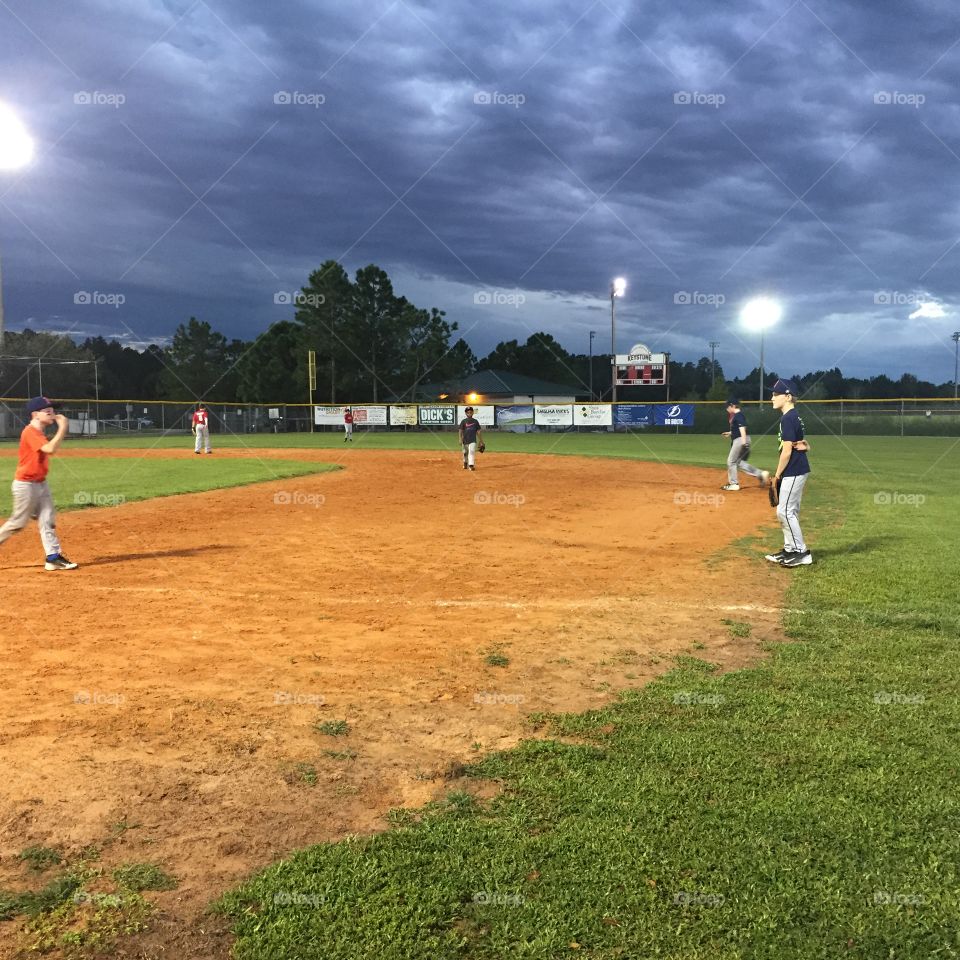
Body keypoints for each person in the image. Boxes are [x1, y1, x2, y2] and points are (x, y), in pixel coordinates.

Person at [0, 397, 78, 570]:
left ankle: (53, 557)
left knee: (47, 518)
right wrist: (63, 427)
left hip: (40, 483)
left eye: (53, 410)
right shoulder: (30, 432)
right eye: (47, 411)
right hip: (26, 485)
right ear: (35, 414)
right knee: (17, 523)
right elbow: (50, 449)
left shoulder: (39, 432)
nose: (52, 413)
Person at [765, 379, 813, 567]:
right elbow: (801, 443)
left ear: (787, 396)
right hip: (795, 469)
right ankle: (790, 549)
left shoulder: (788, 418)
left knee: (786, 511)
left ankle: (802, 552)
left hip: (794, 469)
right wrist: (807, 445)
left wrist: (777, 476)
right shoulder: (793, 416)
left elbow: (786, 451)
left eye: (775, 394)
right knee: (785, 511)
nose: (772, 398)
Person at [721, 399, 769, 491]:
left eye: (727, 407)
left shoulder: (738, 415)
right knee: (739, 462)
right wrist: (730, 433)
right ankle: (761, 474)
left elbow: (742, 428)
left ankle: (734, 484)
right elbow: (739, 429)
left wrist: (744, 443)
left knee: (731, 461)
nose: (727, 409)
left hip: (740, 440)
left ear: (732, 405)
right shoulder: (738, 416)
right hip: (742, 438)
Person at [459, 406, 483, 471]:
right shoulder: (463, 421)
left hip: (473, 440)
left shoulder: (475, 421)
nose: (469, 413)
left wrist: (481, 441)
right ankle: (465, 462)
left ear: (472, 413)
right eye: (468, 412)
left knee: (471, 451)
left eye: (470, 412)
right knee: (465, 453)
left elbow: (478, 431)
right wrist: (460, 439)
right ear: (466, 413)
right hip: (465, 440)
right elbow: (460, 430)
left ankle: (471, 465)